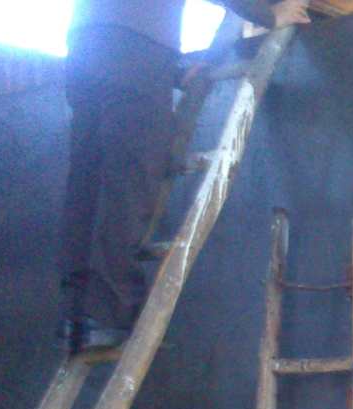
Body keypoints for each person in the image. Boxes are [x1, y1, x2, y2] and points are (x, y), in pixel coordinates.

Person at [59, 0, 311, 355]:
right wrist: (270, 14)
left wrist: (173, 70)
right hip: (135, 42)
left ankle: (77, 318)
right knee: (129, 182)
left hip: (86, 43)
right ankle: (107, 314)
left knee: (88, 181)